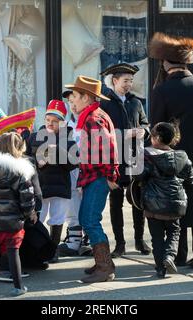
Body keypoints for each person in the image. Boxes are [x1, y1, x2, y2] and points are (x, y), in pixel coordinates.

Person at [149, 33, 193, 269]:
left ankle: (178, 255)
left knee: (176, 199)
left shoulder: (162, 91)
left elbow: (157, 125)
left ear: (166, 64)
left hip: (175, 151)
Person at [64, 76, 119, 283]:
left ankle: (105, 267)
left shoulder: (93, 118)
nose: (72, 102)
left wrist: (111, 174)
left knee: (89, 220)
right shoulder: (90, 115)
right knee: (87, 218)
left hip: (97, 177)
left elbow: (108, 149)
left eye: (75, 97)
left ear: (87, 98)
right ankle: (103, 263)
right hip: (92, 176)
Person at [0, 132, 39, 297]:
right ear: (19, 147)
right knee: (13, 252)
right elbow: (27, 198)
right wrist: (28, 214)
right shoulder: (20, 171)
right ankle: (18, 287)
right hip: (13, 222)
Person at [100, 62, 152, 258]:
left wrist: (144, 130)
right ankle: (119, 243)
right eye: (125, 81)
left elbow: (146, 122)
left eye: (131, 81)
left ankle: (139, 240)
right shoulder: (104, 103)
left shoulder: (136, 102)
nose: (129, 84)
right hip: (114, 160)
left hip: (135, 158)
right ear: (114, 81)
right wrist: (124, 133)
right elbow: (102, 132)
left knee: (138, 201)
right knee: (115, 202)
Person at [132, 122, 193, 278]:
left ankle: (161, 268)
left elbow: (137, 175)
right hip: (175, 204)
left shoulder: (146, 155)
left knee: (157, 237)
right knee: (174, 232)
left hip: (152, 205)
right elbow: (191, 178)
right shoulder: (182, 157)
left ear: (156, 138)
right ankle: (169, 256)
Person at [26, 100, 78, 263]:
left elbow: (73, 164)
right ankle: (36, 250)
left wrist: (59, 152)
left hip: (60, 186)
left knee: (57, 217)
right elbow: (26, 158)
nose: (50, 123)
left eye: (55, 121)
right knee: (38, 218)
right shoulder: (35, 137)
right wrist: (37, 163)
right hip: (40, 186)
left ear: (62, 123)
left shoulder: (68, 140)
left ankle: (53, 250)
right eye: (48, 120)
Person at [58, 90, 92, 257]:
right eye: (69, 102)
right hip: (71, 170)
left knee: (89, 203)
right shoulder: (65, 126)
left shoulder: (91, 122)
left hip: (89, 169)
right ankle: (74, 239)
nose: (72, 105)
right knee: (72, 203)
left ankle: (89, 239)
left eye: (74, 100)